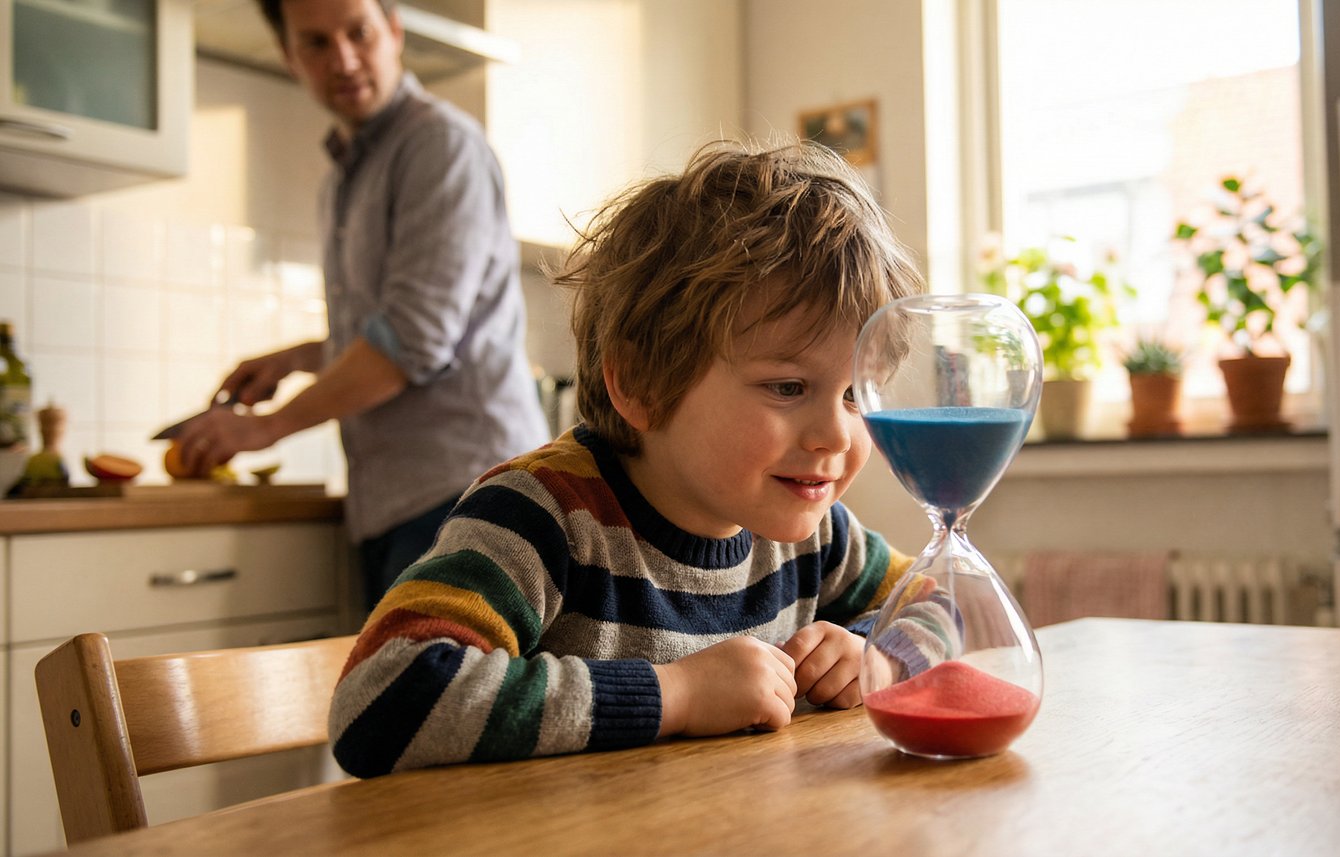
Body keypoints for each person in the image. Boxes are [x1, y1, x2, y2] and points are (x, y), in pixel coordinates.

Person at [327, 140, 928, 777]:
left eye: (857, 393)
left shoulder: (816, 533)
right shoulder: (543, 517)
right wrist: (679, 695)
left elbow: (939, 603)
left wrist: (871, 652)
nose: (836, 435)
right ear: (641, 384)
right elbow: (382, 701)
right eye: (787, 388)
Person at [173, 0, 550, 609]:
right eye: (317, 43)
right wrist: (300, 356)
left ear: (393, 32)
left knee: (438, 703)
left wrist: (264, 427)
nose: (343, 59)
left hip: (468, 497)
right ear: (291, 58)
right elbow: (391, 330)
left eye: (359, 32)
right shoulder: (343, 178)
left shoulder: (439, 146)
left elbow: (413, 341)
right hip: (395, 501)